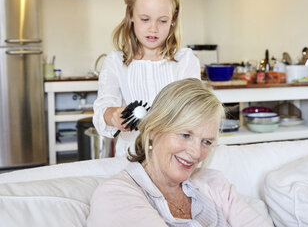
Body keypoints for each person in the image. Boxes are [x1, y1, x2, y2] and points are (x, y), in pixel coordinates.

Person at [87, 78, 272, 227]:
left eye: (206, 142)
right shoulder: (116, 195)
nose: (196, 152)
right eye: (185, 135)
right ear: (152, 131)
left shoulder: (215, 184)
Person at [93, 0, 201, 157]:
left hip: (175, 156)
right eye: (145, 19)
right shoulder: (115, 62)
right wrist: (113, 115)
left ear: (173, 19)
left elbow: (194, 111)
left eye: (162, 21)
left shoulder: (185, 61)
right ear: (131, 16)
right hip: (130, 155)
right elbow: (103, 107)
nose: (153, 28)